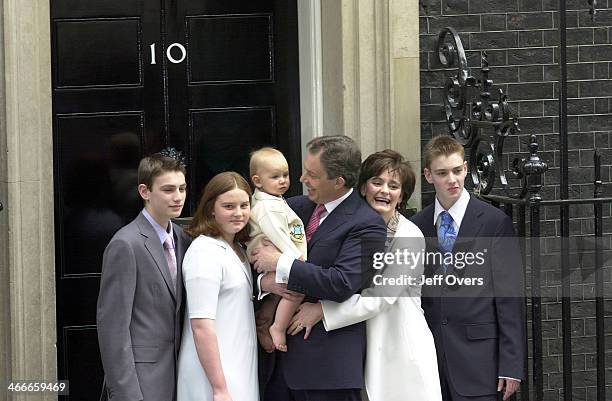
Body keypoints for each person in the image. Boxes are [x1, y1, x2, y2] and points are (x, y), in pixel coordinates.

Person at [290, 149, 442, 401]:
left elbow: (380, 298)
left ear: (402, 195)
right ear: (362, 187)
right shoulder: (355, 226)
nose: (384, 191)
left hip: (398, 346)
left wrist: (322, 311)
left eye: (393, 186)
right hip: (358, 343)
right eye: (377, 182)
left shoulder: (408, 236)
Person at [251, 135, 387, 401]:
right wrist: (264, 283)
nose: (302, 179)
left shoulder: (367, 224)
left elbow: (341, 283)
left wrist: (280, 263)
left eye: (312, 174)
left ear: (338, 181)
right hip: (275, 366)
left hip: (326, 371)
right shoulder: (291, 208)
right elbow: (256, 251)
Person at [410, 136, 526, 401]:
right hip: (431, 360)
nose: (452, 179)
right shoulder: (417, 225)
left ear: (465, 168)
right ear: (428, 175)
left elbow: (509, 297)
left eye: (457, 170)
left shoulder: (494, 222)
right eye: (442, 173)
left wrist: (511, 365)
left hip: (480, 362)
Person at [97, 150, 191, 401]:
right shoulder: (125, 244)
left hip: (182, 378)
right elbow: (112, 329)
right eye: (168, 190)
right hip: (141, 383)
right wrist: (126, 394)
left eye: (182, 188)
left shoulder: (183, 239)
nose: (178, 197)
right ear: (144, 191)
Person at [177, 172, 258, 401]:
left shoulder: (238, 249)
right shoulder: (204, 252)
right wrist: (219, 388)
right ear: (211, 208)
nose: (239, 213)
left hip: (240, 367)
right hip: (213, 377)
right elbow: (201, 326)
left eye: (244, 205)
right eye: (229, 206)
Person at [246, 147, 307, 352]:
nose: (283, 181)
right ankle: (278, 327)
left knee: (277, 294)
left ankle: (263, 321)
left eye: (285, 175)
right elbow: (277, 233)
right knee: (296, 290)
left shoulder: (276, 201)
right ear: (257, 181)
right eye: (275, 176)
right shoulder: (266, 207)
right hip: (275, 254)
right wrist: (294, 258)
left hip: (280, 256)